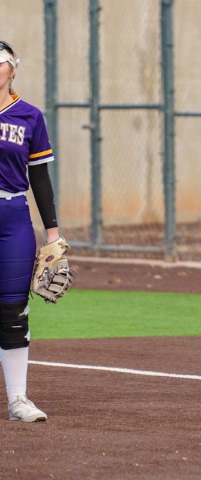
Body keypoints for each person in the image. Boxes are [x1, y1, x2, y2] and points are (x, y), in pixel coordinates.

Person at [0, 40, 60, 421]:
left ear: (12, 69)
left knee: (13, 309)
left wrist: (53, 235)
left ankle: (17, 399)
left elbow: (39, 177)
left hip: (13, 217)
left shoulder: (30, 116)